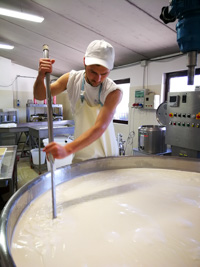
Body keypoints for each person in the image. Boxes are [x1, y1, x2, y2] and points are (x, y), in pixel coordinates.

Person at [34, 40, 123, 163]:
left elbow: (100, 127)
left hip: (107, 157)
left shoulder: (113, 91)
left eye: (104, 74)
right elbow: (40, 95)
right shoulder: (71, 80)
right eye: (93, 72)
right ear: (84, 62)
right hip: (82, 155)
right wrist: (40, 76)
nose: (98, 79)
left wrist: (67, 149)